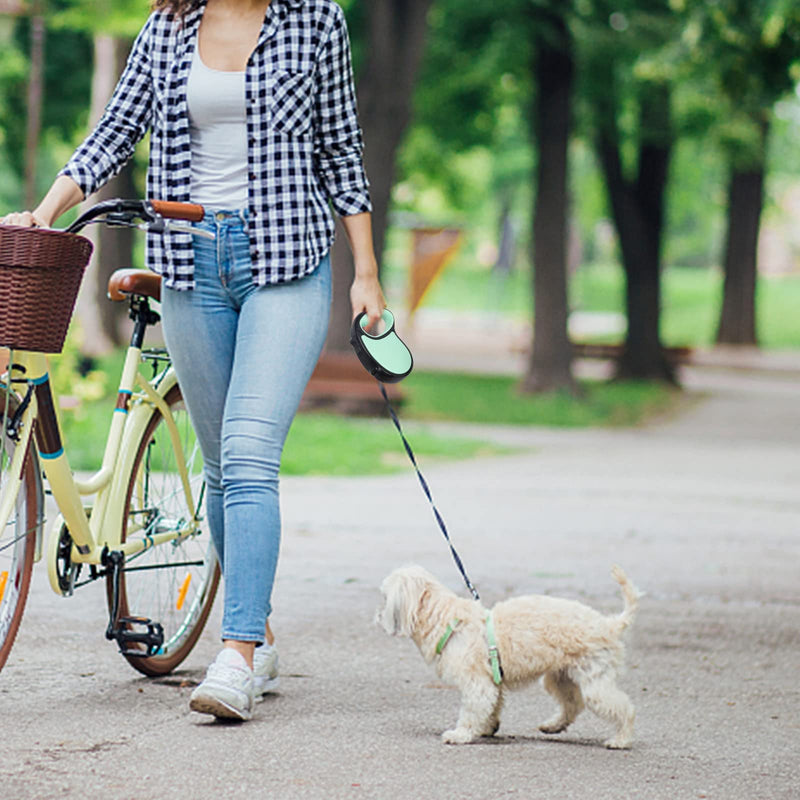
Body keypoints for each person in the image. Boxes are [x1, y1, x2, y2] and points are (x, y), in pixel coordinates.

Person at [0, 0, 385, 721]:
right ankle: (260, 633)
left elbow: (342, 150)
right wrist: (46, 211)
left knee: (246, 453)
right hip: (187, 265)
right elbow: (114, 130)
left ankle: (236, 655)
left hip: (286, 265)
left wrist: (366, 271)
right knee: (218, 461)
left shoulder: (317, 20)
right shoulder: (168, 26)